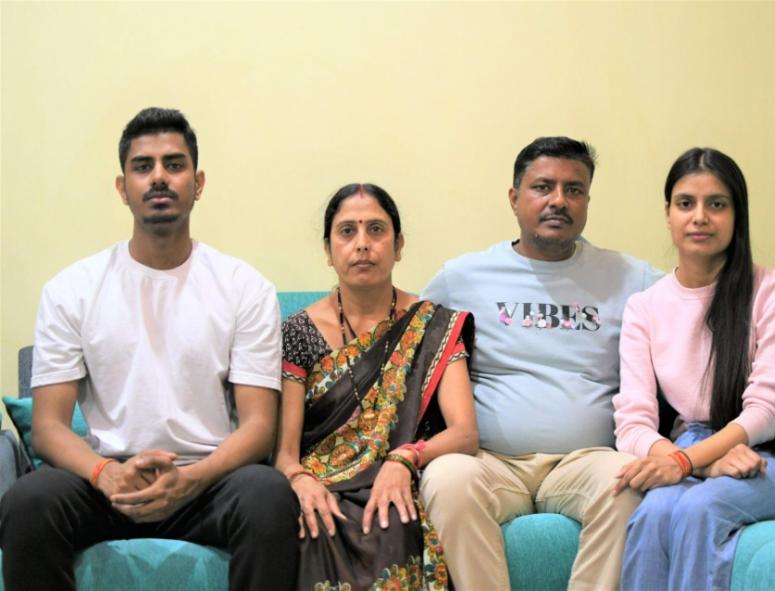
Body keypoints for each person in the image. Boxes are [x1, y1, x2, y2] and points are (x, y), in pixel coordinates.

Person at [0, 108, 299, 590]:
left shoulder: (245, 288)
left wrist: (193, 480)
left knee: (268, 496)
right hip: (107, 485)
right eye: (143, 166)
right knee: (28, 501)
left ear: (198, 183)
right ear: (123, 188)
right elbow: (51, 427)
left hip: (207, 484)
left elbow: (259, 426)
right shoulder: (72, 289)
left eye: (174, 164)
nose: (159, 177)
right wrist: (104, 473)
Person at [419, 137, 660, 590]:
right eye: (543, 187)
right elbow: (403, 340)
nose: (559, 201)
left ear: (587, 201)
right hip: (490, 462)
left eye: (574, 189)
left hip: (586, 461)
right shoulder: (462, 278)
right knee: (446, 479)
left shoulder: (631, 278)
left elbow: (708, 316)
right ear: (514, 198)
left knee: (629, 482)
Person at [612, 147, 775, 591]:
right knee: (654, 511)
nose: (700, 217)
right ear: (668, 214)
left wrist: (686, 463)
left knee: (700, 507)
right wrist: (700, 463)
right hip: (697, 445)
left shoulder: (772, 287)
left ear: (737, 215)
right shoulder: (643, 307)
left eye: (717, 204)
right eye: (685, 203)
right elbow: (632, 423)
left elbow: (766, 411)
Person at [275, 183, 479, 590]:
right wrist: (300, 481)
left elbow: (465, 434)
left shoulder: (432, 324)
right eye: (347, 231)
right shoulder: (298, 332)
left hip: (399, 478)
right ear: (328, 250)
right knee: (314, 524)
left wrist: (404, 459)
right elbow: (284, 453)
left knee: (395, 519)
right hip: (323, 483)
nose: (362, 244)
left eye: (376, 229)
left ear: (398, 245)